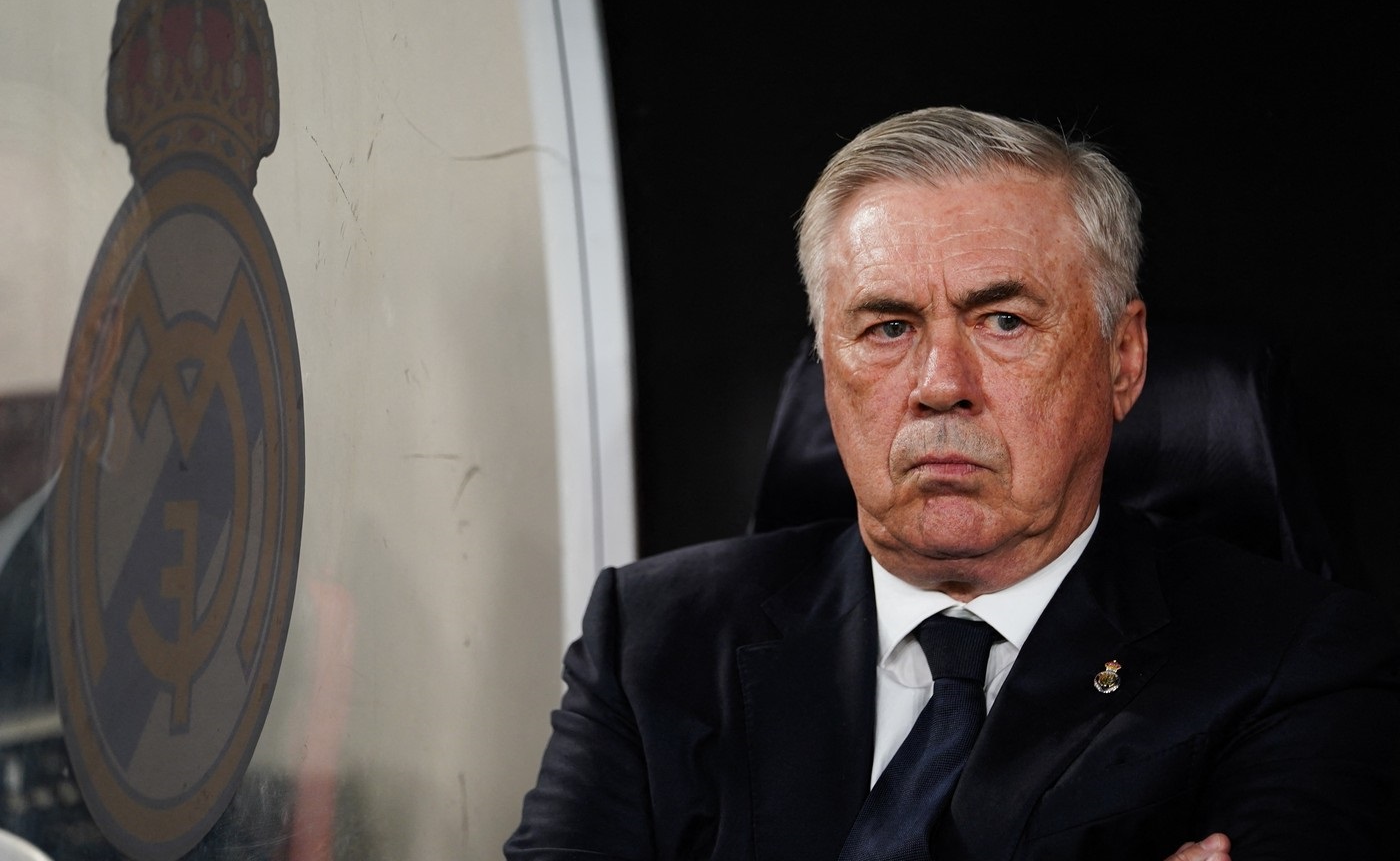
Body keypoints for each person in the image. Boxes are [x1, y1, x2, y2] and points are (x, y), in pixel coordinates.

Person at [504, 107, 1400, 860]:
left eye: (1003, 320)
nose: (939, 381)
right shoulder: (654, 639)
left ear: (1122, 360)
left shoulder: (1294, 661)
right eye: (888, 327)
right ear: (827, 368)